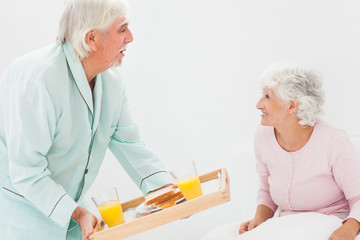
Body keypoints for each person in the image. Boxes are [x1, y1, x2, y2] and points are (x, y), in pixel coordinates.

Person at [0, 0, 173, 239]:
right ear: (92, 38)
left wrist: (168, 192)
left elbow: (130, 144)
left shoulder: (112, 81)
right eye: (122, 29)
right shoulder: (37, 81)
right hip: (25, 221)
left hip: (74, 217)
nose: (130, 37)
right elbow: (26, 172)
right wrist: (78, 213)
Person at [201, 65, 360, 240]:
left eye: (267, 96)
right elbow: (266, 191)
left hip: (328, 219)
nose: (258, 104)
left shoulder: (333, 140)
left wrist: (349, 229)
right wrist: (260, 218)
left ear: (291, 105)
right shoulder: (262, 136)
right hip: (285, 224)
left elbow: (358, 197)